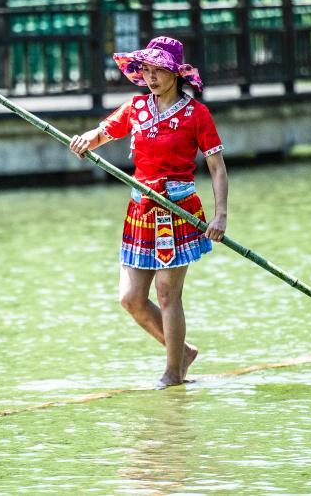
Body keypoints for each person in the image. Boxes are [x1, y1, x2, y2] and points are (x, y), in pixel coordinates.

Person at [69, 36, 228, 387]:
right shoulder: (137, 107)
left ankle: (174, 373)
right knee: (130, 298)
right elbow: (103, 132)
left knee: (168, 294)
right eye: (147, 70)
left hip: (177, 211)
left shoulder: (195, 114)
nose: (151, 77)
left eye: (159, 70)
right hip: (141, 211)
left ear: (176, 74)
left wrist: (220, 215)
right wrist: (85, 140)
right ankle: (182, 352)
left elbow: (216, 166)